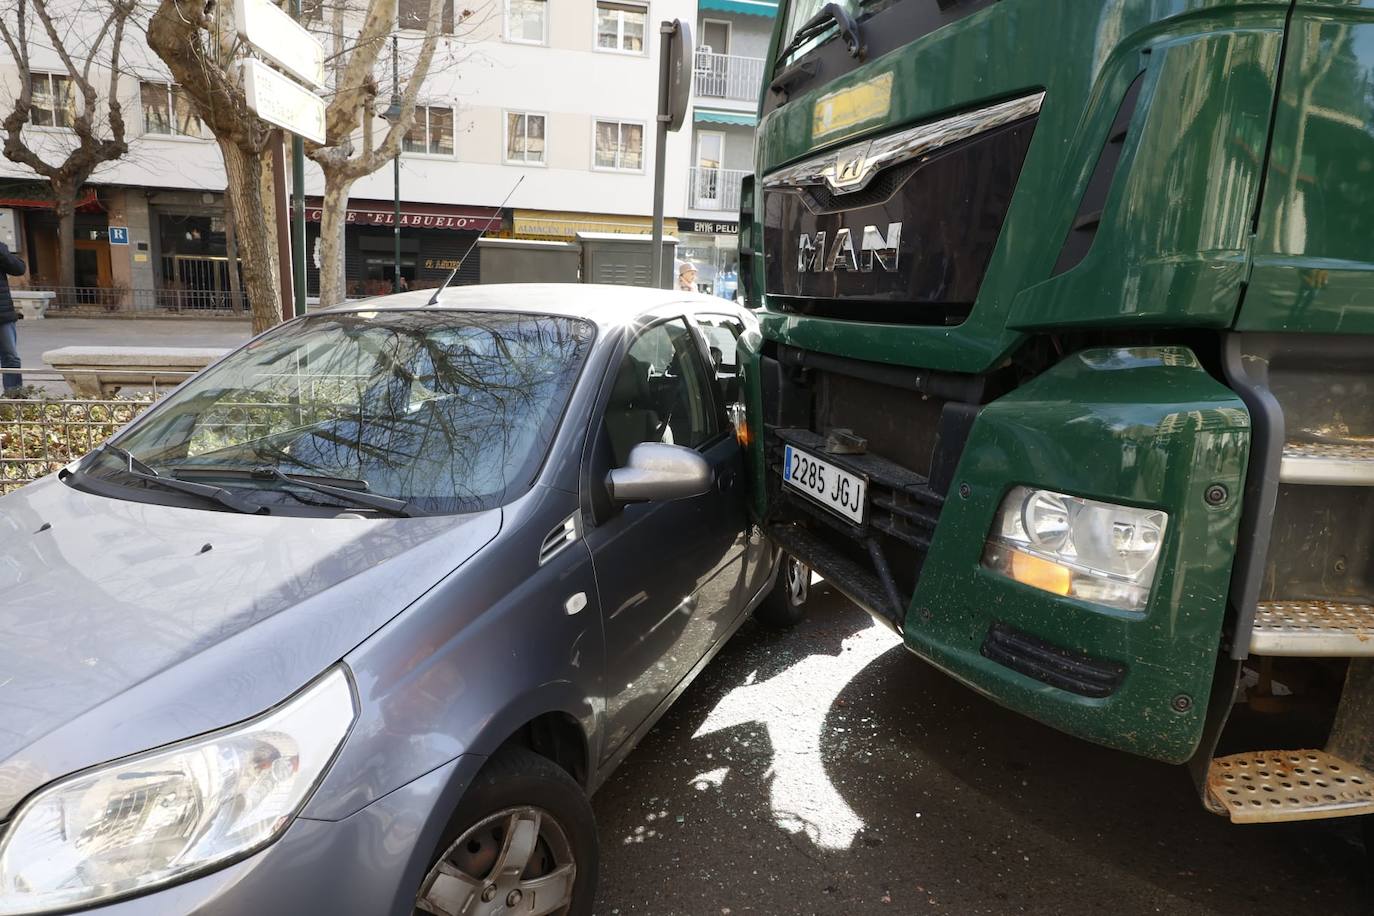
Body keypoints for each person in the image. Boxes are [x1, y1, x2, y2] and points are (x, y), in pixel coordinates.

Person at [0, 239, 26, 397]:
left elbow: (19, 269)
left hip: (3, 315)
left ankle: (14, 399)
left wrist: (2, 252)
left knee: (11, 358)